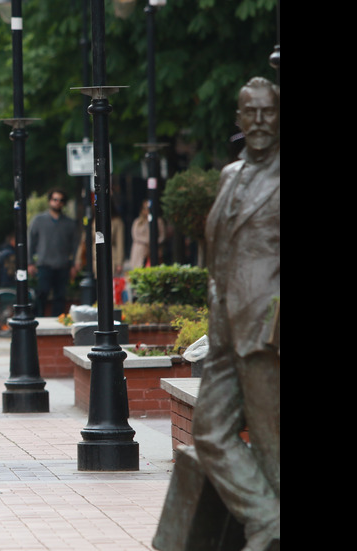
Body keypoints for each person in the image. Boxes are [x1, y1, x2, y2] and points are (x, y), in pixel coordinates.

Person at [192, 76, 280, 550]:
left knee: (272, 443)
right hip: (224, 326)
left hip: (267, 327)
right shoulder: (229, 175)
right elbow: (218, 246)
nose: (261, 121)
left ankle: (269, 529)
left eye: (269, 112)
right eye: (252, 113)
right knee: (208, 430)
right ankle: (268, 518)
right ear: (239, 119)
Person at [28, 189, 77, 317]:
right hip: (44, 264)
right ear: (50, 201)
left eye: (61, 200)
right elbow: (30, 242)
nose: (57, 203)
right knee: (41, 293)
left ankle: (58, 320)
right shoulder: (38, 220)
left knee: (60, 296)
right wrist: (29, 263)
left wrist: (73, 265)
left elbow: (75, 246)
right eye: (55, 200)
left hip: (63, 265)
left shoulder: (69, 223)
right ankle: (38, 319)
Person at [127, 201, 166, 271]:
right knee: (138, 270)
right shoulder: (137, 222)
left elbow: (162, 236)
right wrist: (147, 240)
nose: (147, 211)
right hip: (140, 250)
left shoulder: (158, 221)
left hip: (153, 250)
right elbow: (135, 236)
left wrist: (154, 242)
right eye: (145, 208)